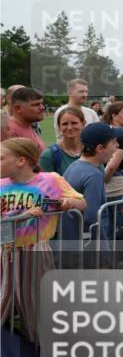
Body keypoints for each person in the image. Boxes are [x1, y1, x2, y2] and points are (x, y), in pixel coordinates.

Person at [1, 138, 86, 342]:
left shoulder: (50, 180)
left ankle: (43, 351)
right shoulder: (1, 184)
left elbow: (82, 203)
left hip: (35, 251)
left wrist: (67, 203)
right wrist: (21, 215)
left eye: (1, 158)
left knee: (36, 305)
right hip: (4, 252)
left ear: (21, 161)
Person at [63, 122, 123, 242]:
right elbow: (93, 218)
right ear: (100, 149)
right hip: (88, 246)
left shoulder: (73, 166)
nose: (117, 145)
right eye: (113, 142)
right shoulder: (94, 175)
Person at [39, 107, 90, 175]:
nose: (69, 128)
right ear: (59, 127)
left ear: (83, 124)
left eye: (74, 123)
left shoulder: (92, 150)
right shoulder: (49, 156)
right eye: (65, 124)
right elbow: (45, 184)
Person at [101, 102, 123, 201]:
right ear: (114, 115)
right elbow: (112, 166)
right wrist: (103, 183)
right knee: (119, 215)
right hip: (116, 184)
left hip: (106, 178)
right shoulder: (119, 135)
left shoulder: (105, 130)